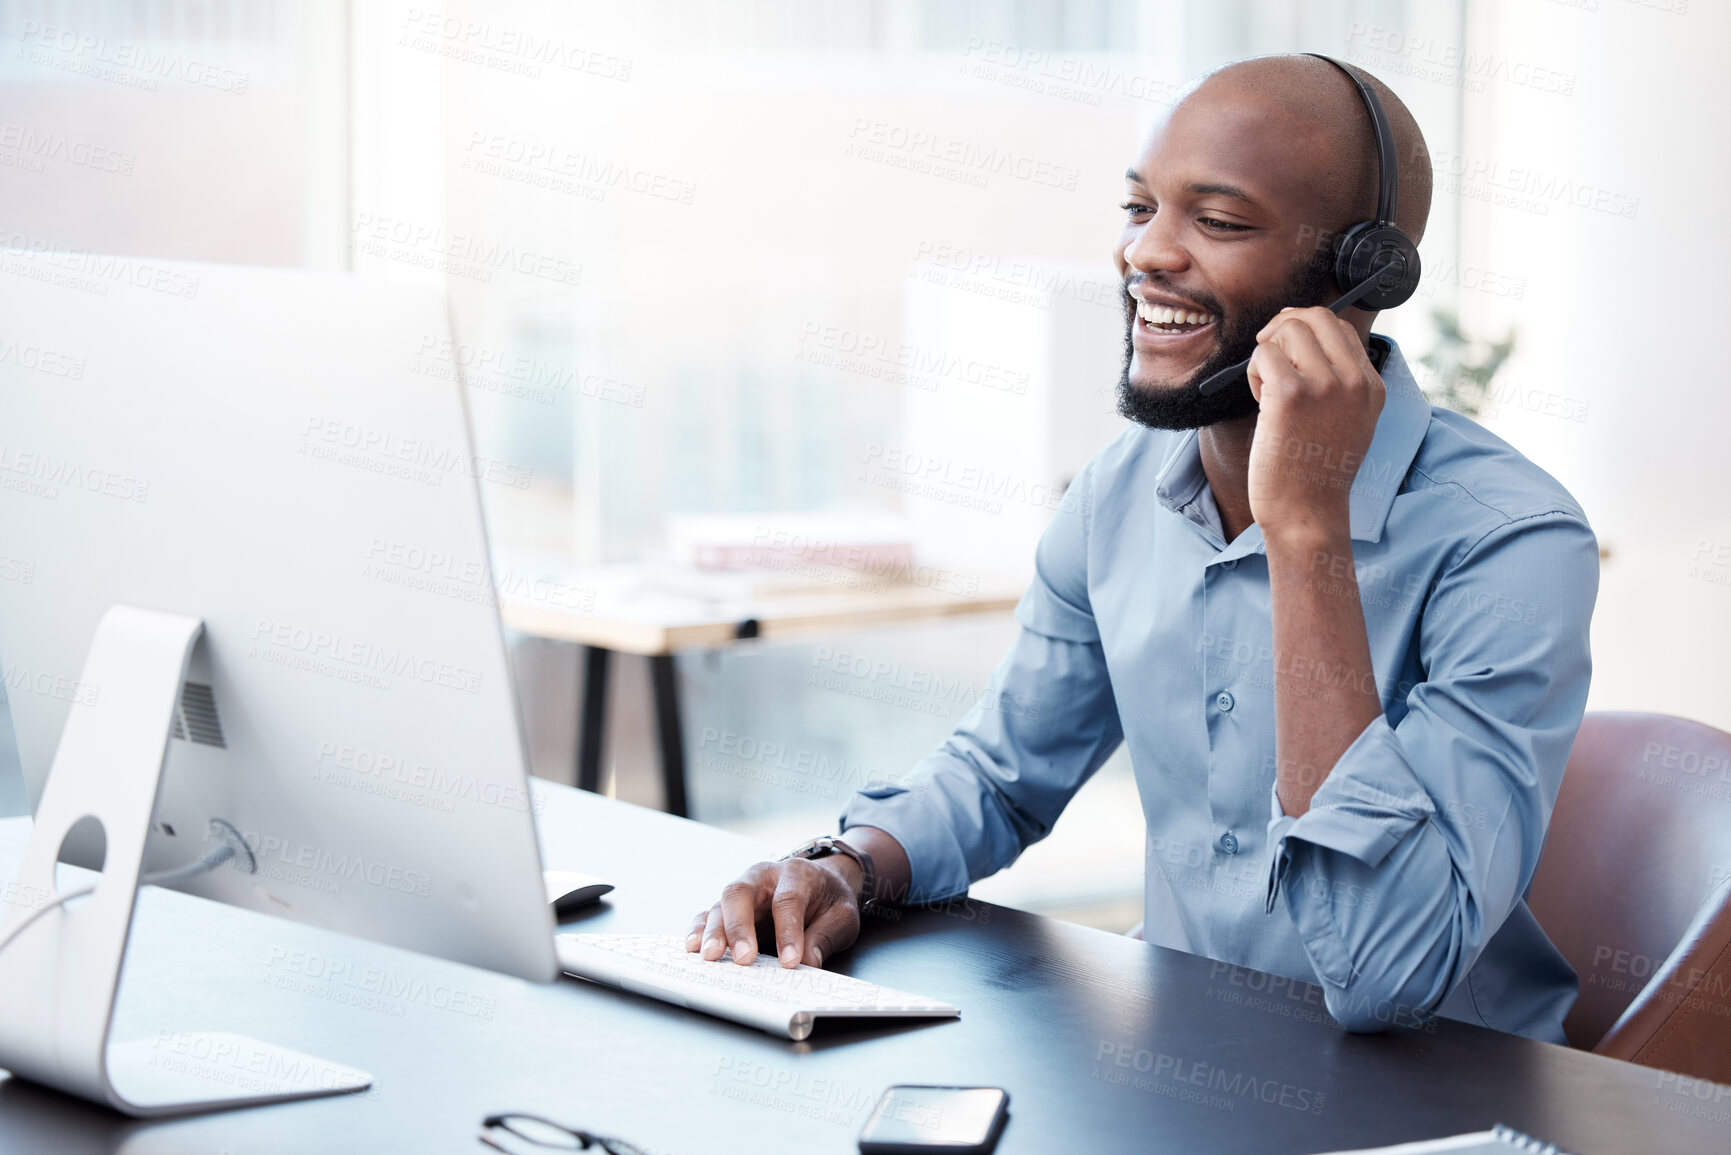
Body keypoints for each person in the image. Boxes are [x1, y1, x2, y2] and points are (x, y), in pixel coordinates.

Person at [683, 53, 1597, 1042]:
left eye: (1218, 220)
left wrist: (1305, 531)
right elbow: (1002, 774)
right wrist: (847, 867)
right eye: (1139, 208)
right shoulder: (1120, 491)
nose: (1146, 255)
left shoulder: (1512, 545)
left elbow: (1385, 972)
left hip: (1446, 1096)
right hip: (1190, 1063)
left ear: (1362, 274)